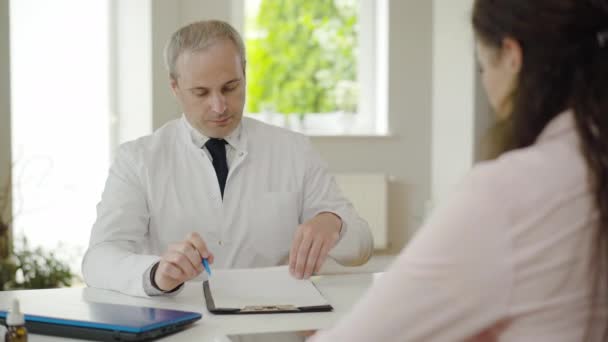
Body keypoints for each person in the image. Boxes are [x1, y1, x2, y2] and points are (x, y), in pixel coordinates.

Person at [311, 0, 608, 340]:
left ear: (512, 56)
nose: (486, 84)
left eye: (482, 66)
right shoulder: (585, 163)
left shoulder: (510, 192)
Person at [82, 20, 373, 297]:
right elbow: (98, 259)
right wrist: (156, 272)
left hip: (275, 322)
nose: (219, 106)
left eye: (230, 87)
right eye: (201, 92)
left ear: (244, 73)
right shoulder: (138, 159)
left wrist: (333, 223)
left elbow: (361, 245)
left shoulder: (294, 150)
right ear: (175, 88)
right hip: (185, 323)